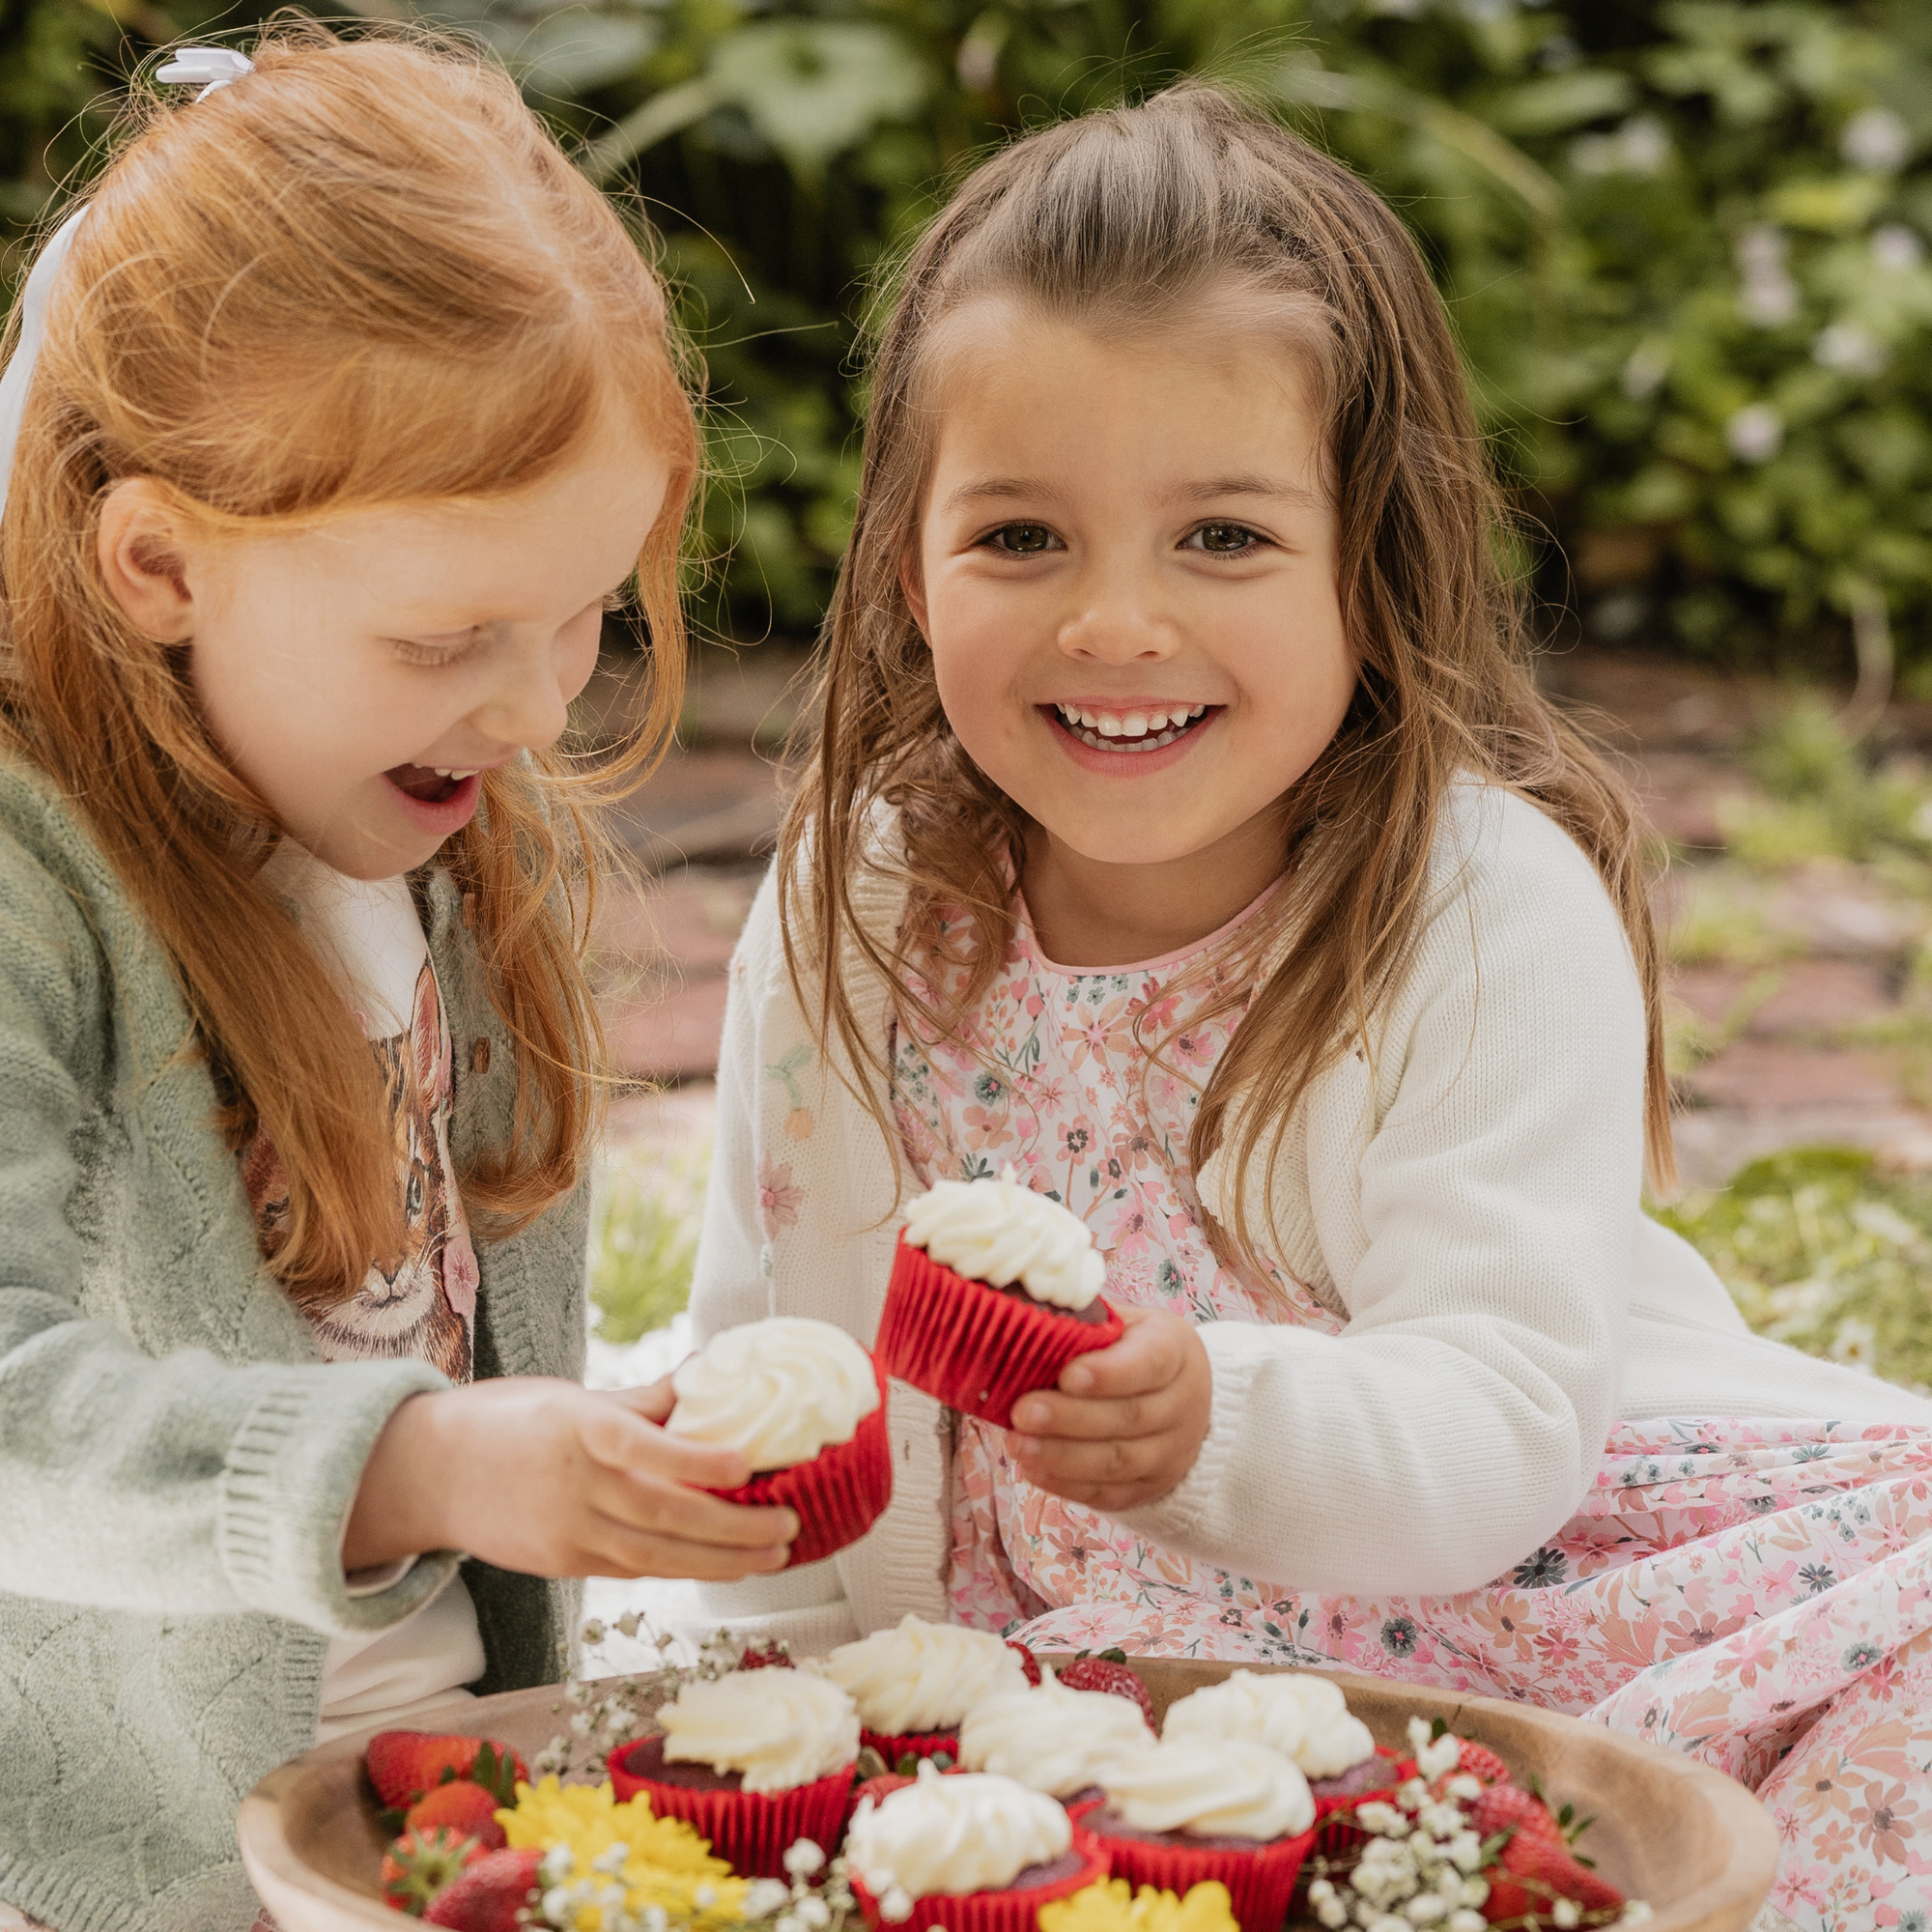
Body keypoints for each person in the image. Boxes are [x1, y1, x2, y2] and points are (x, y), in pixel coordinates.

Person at [689, 84, 1932, 1932]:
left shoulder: (1479, 905)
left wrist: (1219, 1427)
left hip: (1553, 1587)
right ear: (903, 558)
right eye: (1020, 537)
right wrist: (803, 1722)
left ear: (1375, 553)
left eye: (1225, 540)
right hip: (1081, 1675)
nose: (1116, 623)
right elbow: (768, 1359)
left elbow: (1507, 1422)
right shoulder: (855, 910)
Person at [0, 29, 798, 1932]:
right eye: (451, 634)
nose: (535, 708)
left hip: (455, 1804)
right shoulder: (34, 887)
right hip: (146, 1875)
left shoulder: (426, 836)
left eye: (589, 612)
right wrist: (411, 1463)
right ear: (157, 562)